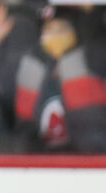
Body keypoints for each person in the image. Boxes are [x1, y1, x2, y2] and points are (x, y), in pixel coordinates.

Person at [14, 2, 106, 153]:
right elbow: (23, 127)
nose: (56, 35)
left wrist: (92, 12)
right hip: (39, 161)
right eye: (50, 30)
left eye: (62, 29)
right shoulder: (31, 66)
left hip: (88, 156)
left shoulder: (91, 60)